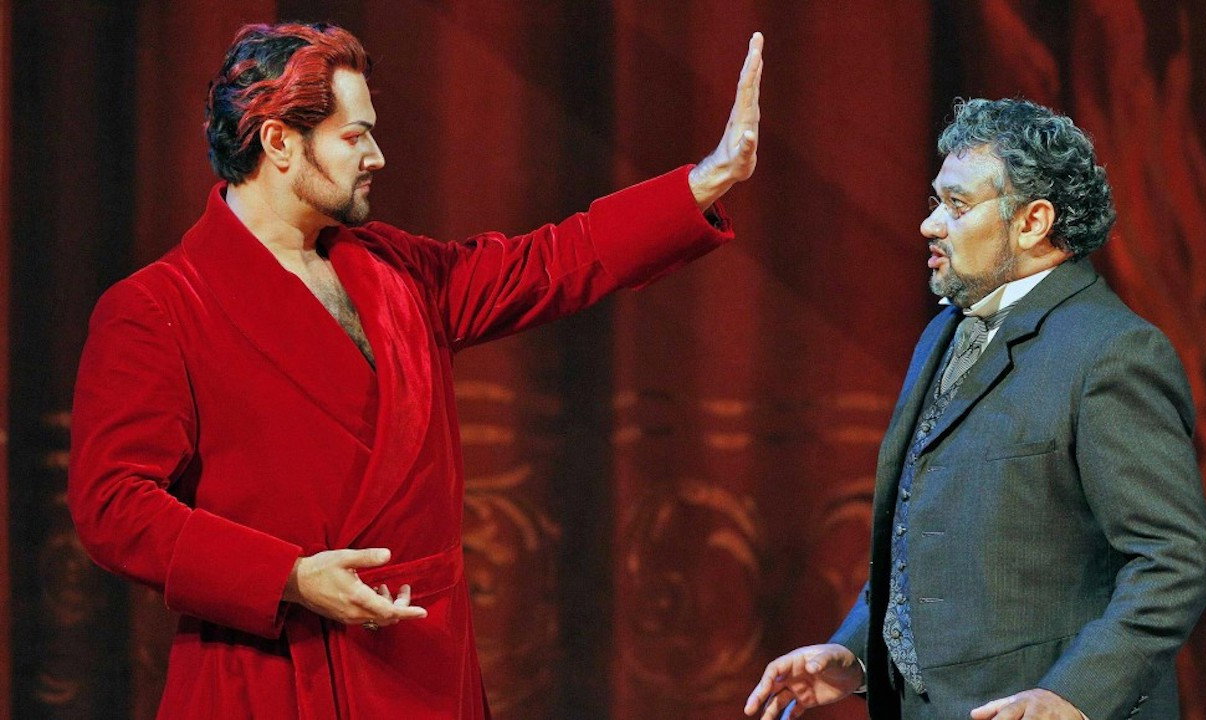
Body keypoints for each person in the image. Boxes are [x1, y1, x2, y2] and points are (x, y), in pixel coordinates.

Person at [69, 22, 762, 719]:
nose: (376, 156)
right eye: (354, 136)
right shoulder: (159, 307)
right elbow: (113, 505)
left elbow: (550, 262)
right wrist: (288, 578)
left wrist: (712, 176)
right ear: (278, 141)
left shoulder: (392, 267)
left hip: (422, 674)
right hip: (275, 676)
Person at [744, 99, 1206, 720]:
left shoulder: (1113, 352)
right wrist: (855, 653)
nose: (929, 225)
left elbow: (1172, 561)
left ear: (1033, 222)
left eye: (957, 205)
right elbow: (927, 532)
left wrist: (1074, 695)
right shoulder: (944, 333)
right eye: (935, 202)